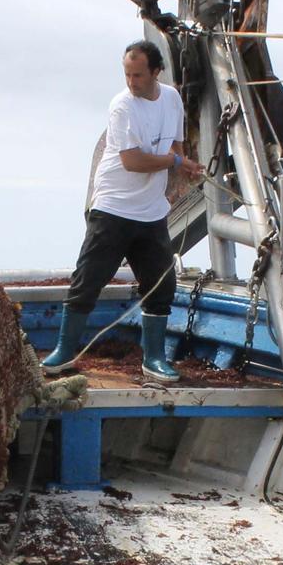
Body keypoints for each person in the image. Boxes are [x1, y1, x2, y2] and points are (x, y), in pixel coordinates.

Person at [42, 40, 205, 382]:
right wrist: (174, 160)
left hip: (150, 213)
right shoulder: (122, 106)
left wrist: (184, 164)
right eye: (127, 75)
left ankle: (155, 358)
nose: (131, 82)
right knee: (88, 280)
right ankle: (64, 352)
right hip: (112, 208)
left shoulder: (172, 99)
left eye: (138, 75)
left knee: (160, 285)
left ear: (156, 72)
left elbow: (174, 146)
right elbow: (133, 161)